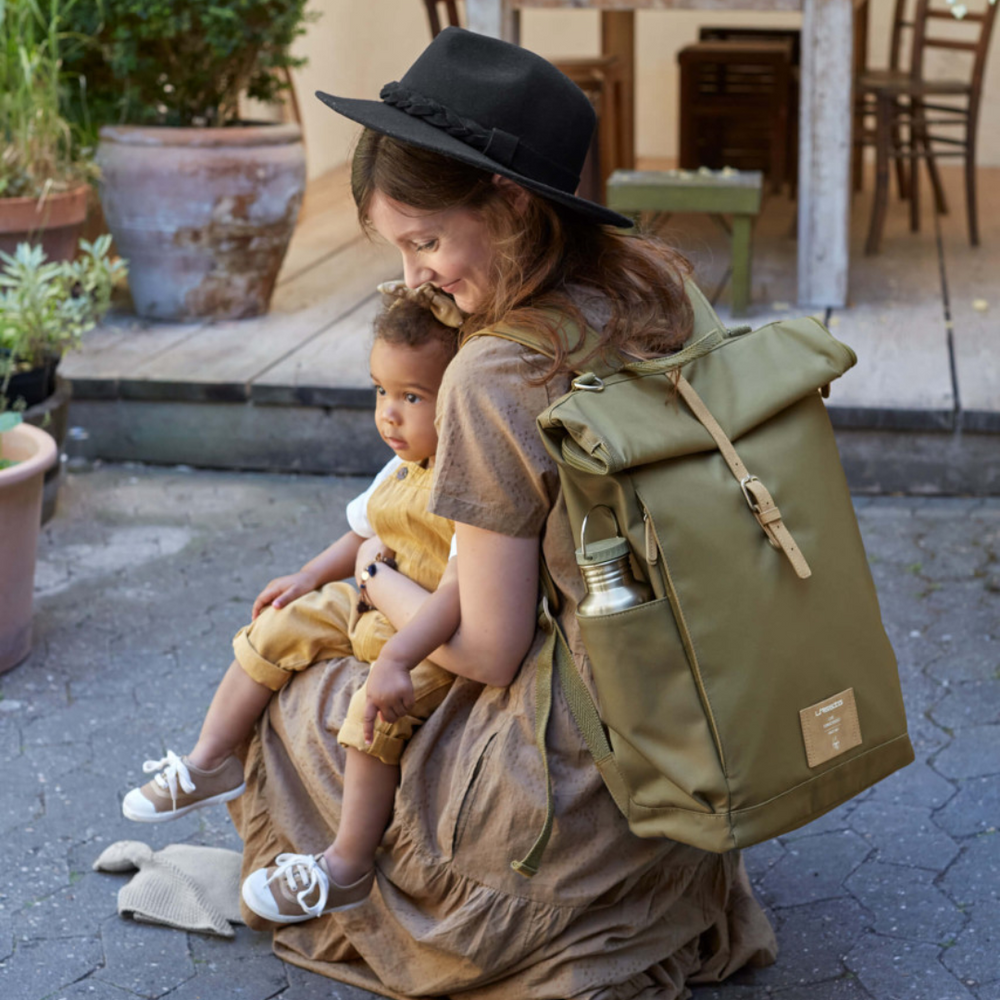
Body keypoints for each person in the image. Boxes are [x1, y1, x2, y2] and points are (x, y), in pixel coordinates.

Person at [231, 26, 778, 1000]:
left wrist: (371, 577)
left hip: (567, 779)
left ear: (512, 204)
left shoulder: (494, 371)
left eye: (426, 241)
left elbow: (487, 649)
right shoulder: (658, 286)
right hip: (687, 725)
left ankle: (412, 882)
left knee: (302, 688)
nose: (414, 279)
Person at [123, 282, 468, 919]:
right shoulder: (399, 467)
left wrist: (396, 659)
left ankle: (347, 865)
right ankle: (209, 762)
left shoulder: (467, 484)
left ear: (460, 400)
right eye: (380, 391)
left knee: (372, 718)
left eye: (412, 397)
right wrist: (308, 577)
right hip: (366, 600)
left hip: (425, 639)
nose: (389, 415)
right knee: (280, 625)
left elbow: (455, 598)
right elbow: (362, 530)